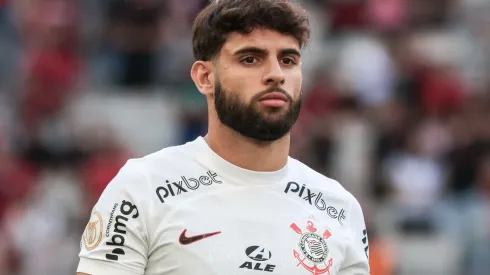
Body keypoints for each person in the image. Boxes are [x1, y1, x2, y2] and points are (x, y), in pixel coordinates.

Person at [76, 0, 370, 274]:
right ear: (205, 78)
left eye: (288, 60)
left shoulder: (339, 209)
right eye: (251, 59)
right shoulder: (142, 189)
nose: (276, 74)